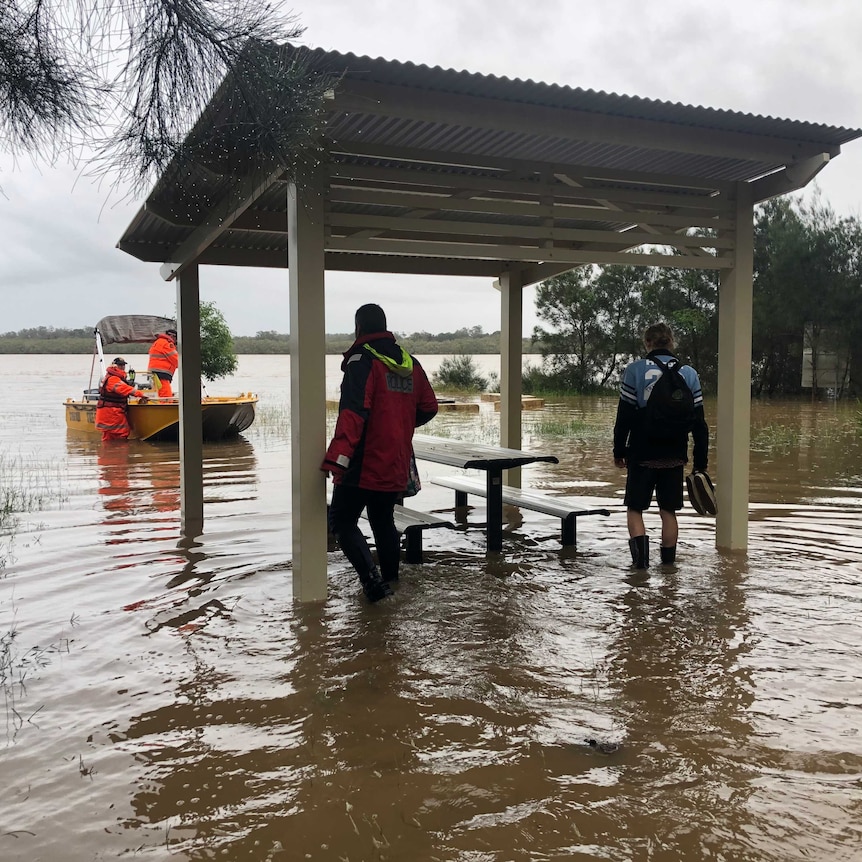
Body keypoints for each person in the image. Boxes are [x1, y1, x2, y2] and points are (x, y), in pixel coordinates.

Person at [322, 304, 438, 602]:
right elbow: (429, 407)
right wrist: (398, 426)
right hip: (395, 460)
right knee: (383, 520)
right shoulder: (409, 362)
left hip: (364, 459)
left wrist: (337, 459)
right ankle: (392, 584)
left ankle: (373, 586)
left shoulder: (362, 361)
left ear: (358, 329)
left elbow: (353, 413)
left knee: (342, 521)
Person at [612, 322, 709, 568]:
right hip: (675, 454)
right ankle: (668, 570)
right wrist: (700, 464)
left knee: (635, 509)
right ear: (671, 342)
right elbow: (699, 424)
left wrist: (619, 450)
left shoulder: (635, 370)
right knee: (668, 511)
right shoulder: (689, 373)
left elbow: (624, 417)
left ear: (648, 343)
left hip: (642, 453)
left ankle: (640, 569)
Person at [95, 357, 148, 442]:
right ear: (114, 366)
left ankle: (109, 452)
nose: (122, 367)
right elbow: (123, 388)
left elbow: (124, 387)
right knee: (120, 433)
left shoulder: (115, 377)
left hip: (113, 411)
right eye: (120, 365)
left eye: (123, 365)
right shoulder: (113, 379)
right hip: (111, 412)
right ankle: (118, 452)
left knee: (110, 436)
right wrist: (140, 394)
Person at [147, 328, 179, 397]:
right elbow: (177, 360)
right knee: (166, 396)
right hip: (162, 374)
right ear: (173, 336)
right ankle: (167, 407)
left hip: (154, 374)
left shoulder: (158, 342)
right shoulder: (167, 344)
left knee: (159, 394)